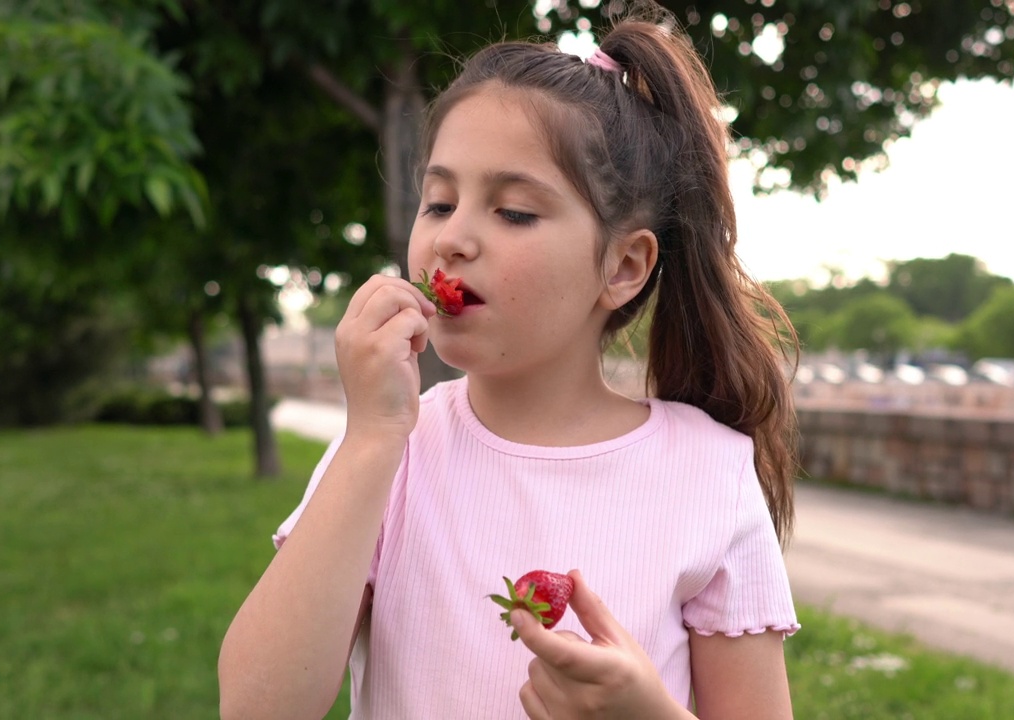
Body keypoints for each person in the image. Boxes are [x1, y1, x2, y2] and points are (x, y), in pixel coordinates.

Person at [218, 6, 801, 718]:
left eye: (515, 212)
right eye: (438, 203)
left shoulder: (710, 471)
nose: (453, 238)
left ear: (623, 265)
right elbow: (257, 707)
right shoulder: (388, 453)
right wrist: (371, 437)